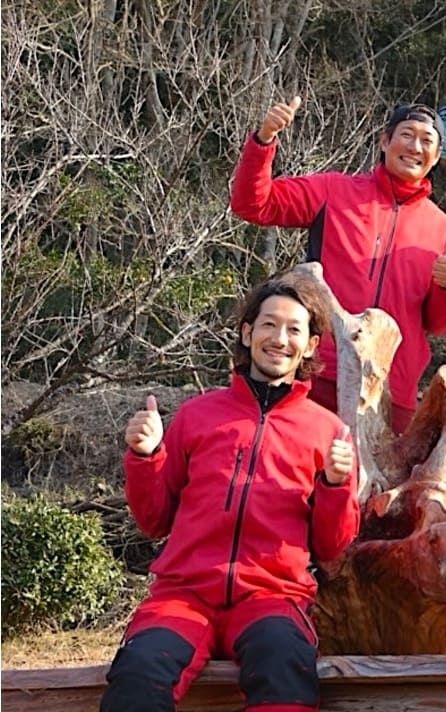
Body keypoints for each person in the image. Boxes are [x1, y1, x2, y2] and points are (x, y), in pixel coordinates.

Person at [100, 273, 360, 712]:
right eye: (268, 325)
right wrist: (145, 457)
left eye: (294, 329)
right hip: (184, 594)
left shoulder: (327, 430)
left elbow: (332, 546)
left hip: (272, 597)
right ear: (247, 332)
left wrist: (335, 485)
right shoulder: (197, 415)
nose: (280, 339)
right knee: (137, 675)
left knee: (285, 675)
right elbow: (154, 520)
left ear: (312, 345)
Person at [230, 97, 446, 433]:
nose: (415, 147)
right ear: (384, 141)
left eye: (427, 141)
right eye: (407, 135)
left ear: (437, 156)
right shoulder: (334, 191)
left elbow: (440, 323)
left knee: (376, 486)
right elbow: (253, 204)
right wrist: (264, 140)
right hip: (317, 373)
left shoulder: (445, 231)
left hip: (391, 392)